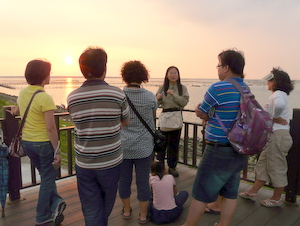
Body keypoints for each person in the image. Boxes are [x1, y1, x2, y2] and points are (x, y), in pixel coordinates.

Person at [182, 49, 247, 226]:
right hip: (239, 148)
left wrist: (198, 111)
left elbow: (202, 111)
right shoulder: (245, 88)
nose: (217, 69)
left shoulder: (218, 87)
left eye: (218, 65)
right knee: (230, 193)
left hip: (218, 149)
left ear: (226, 67)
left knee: (201, 192)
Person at [67, 46, 130, 226]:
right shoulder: (117, 94)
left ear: (82, 70)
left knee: (90, 204)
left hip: (84, 161)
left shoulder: (72, 97)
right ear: (104, 68)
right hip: (111, 161)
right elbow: (126, 122)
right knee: (107, 201)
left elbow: (79, 123)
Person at [9, 59, 66, 225]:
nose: (50, 75)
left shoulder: (23, 93)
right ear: (43, 75)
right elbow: (50, 128)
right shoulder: (45, 98)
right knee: (48, 178)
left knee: (46, 175)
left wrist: (14, 110)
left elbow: (21, 108)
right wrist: (57, 150)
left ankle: (56, 203)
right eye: (49, 72)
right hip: (43, 144)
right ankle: (42, 217)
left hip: (27, 143)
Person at [239, 68, 294, 207]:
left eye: (270, 80)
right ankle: (252, 192)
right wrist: (273, 118)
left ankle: (276, 198)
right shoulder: (278, 94)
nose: (268, 83)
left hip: (278, 137)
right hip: (273, 137)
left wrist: (275, 118)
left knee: (277, 168)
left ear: (275, 82)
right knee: (262, 166)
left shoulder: (278, 94)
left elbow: (279, 106)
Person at [118, 60, 157, 224]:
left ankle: (127, 211)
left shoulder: (119, 96)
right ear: (143, 76)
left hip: (123, 147)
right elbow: (152, 120)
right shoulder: (150, 96)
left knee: (124, 181)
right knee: (143, 182)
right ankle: (142, 215)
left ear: (124, 76)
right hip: (144, 148)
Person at [156, 66, 189, 177]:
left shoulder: (182, 88)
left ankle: (172, 167)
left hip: (176, 117)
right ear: (167, 75)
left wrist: (173, 94)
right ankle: (160, 166)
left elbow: (184, 102)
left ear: (178, 75)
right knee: (161, 143)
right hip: (165, 117)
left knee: (174, 145)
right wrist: (158, 98)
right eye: (171, 73)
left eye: (175, 73)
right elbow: (156, 104)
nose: (173, 75)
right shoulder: (162, 87)